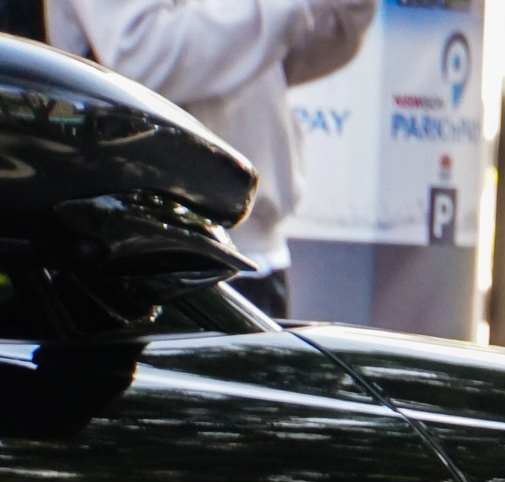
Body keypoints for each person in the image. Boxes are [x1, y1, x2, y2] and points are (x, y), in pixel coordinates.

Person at [46, 0, 374, 315]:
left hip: (254, 252)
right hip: (153, 259)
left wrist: (343, 10)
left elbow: (268, 61)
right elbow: (142, 53)